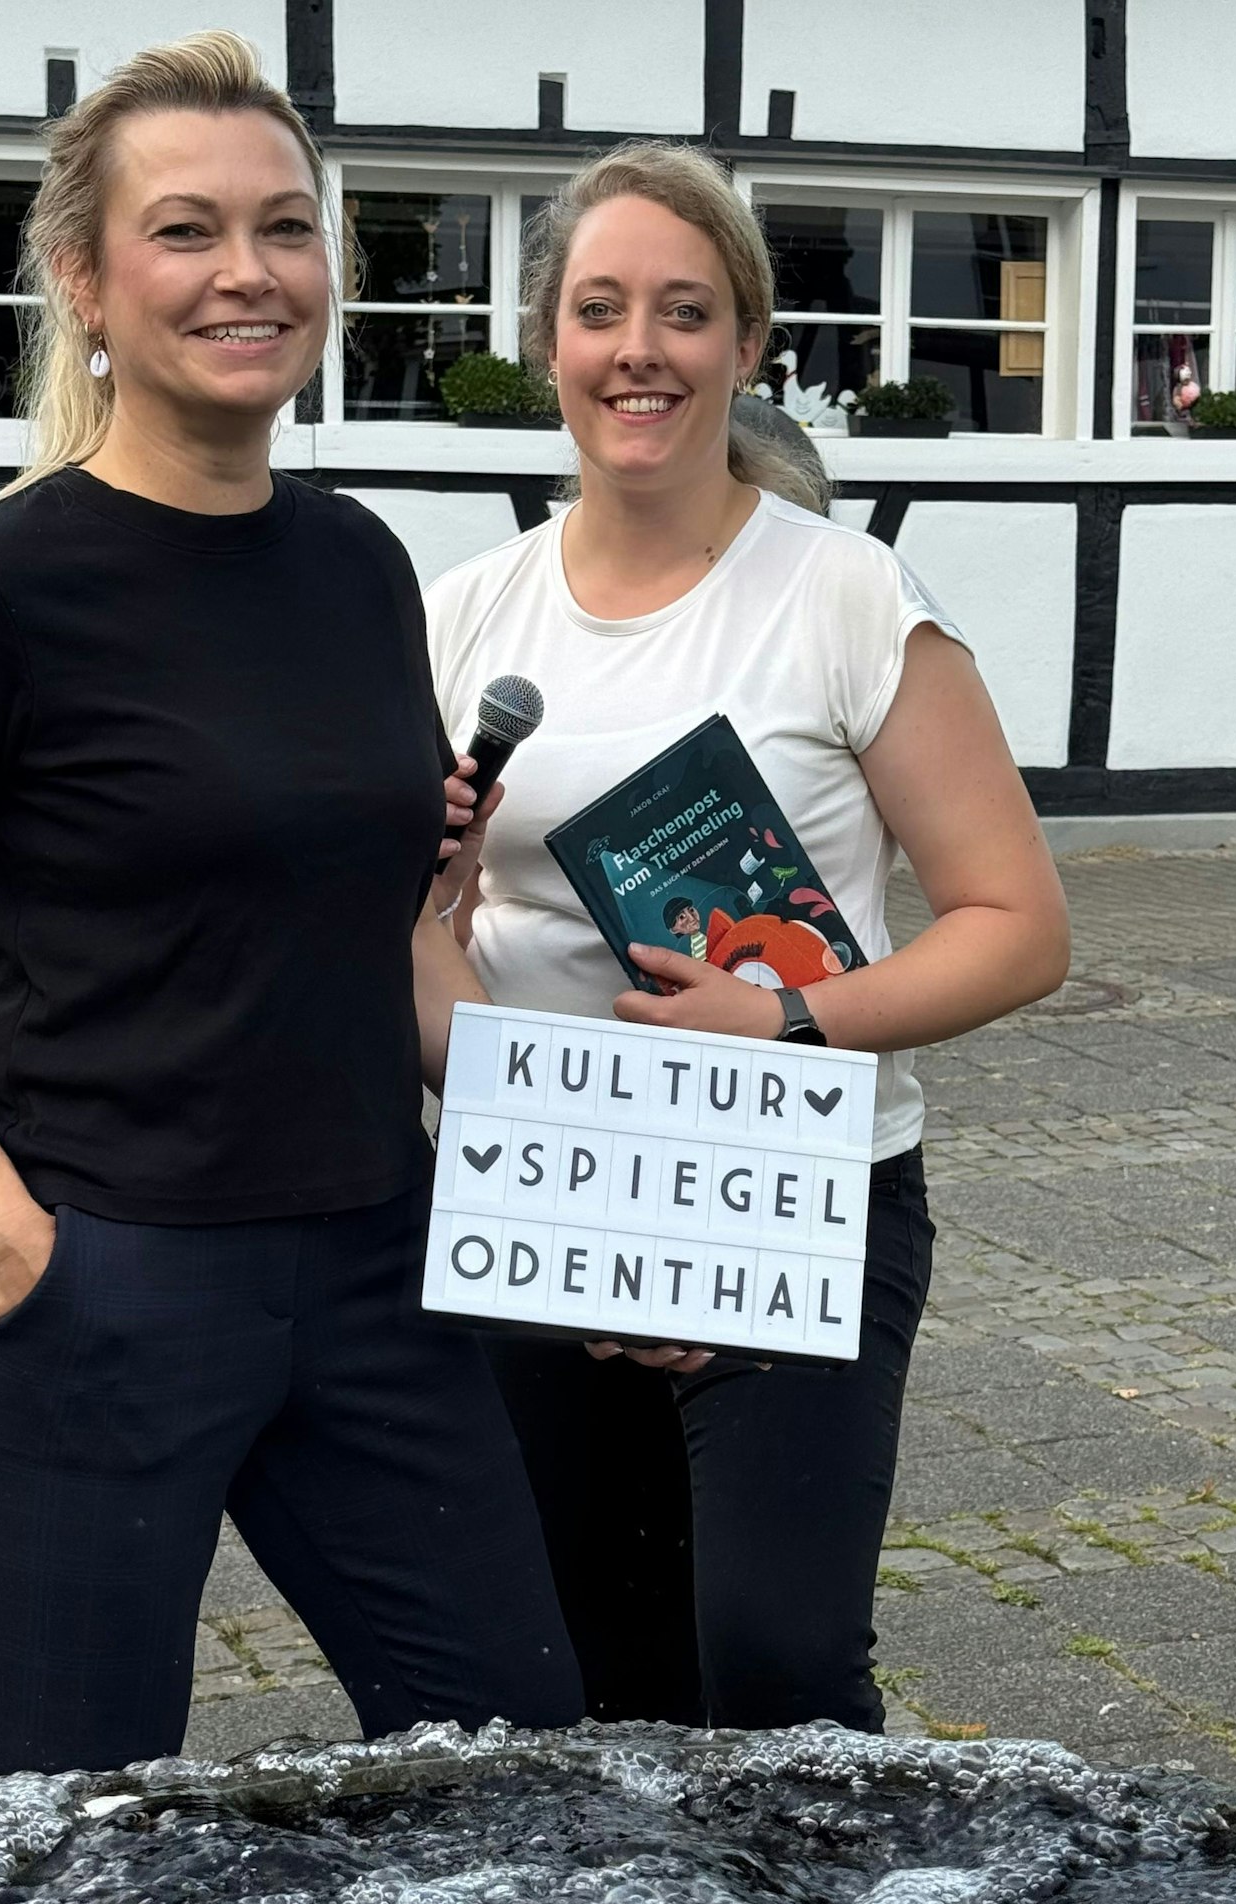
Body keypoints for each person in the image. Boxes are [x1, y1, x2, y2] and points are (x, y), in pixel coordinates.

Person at [0, 30, 579, 1804]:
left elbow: (388, 923)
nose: (248, 271)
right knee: (63, 1817)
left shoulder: (361, 564)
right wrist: (5, 1236)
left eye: (287, 228)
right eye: (186, 230)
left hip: (378, 1264)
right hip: (100, 1278)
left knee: (520, 1759)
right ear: (84, 277)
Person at [429, 143, 1070, 1732]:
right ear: (549, 345)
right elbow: (433, 950)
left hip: (793, 1184)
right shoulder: (464, 612)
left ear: (747, 344)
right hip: (542, 1183)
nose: (637, 348)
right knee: (578, 1674)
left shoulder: (846, 597)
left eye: (683, 310)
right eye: (598, 310)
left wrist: (784, 1025)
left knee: (775, 1665)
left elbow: (1018, 928)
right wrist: (413, 920)